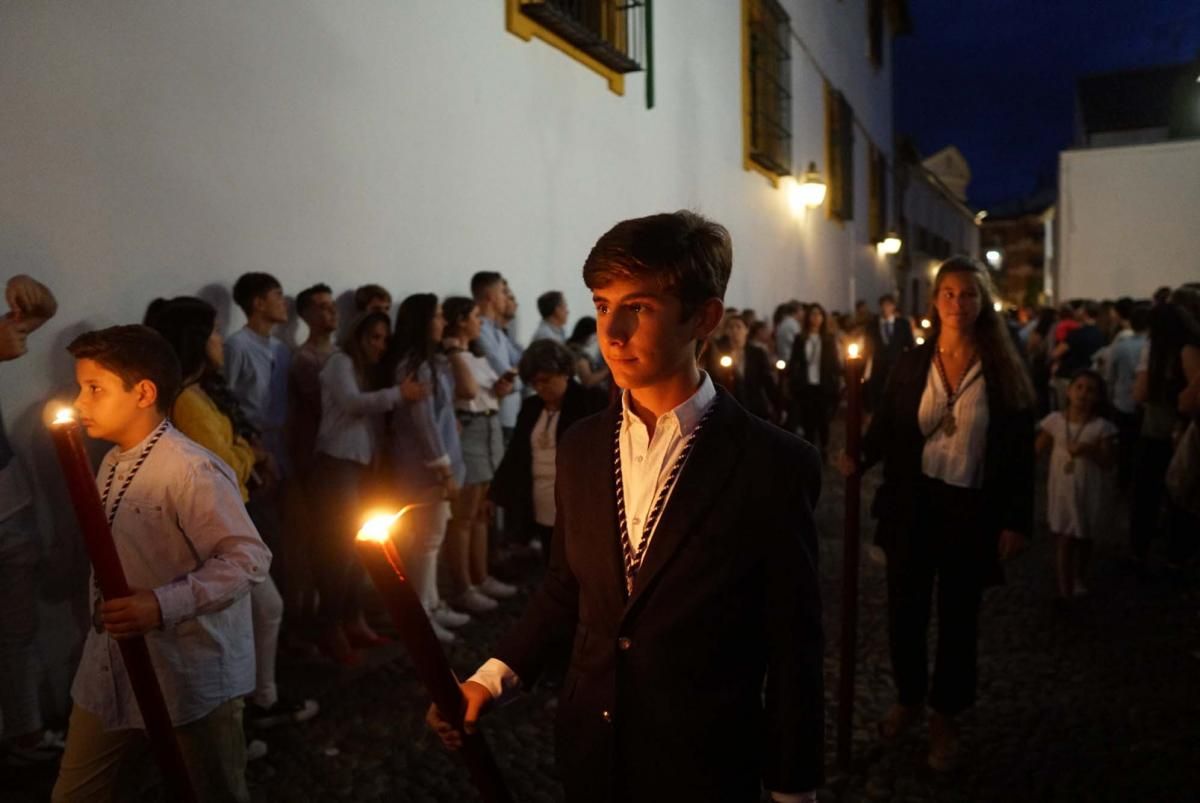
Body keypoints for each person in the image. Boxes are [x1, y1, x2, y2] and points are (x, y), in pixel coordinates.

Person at [429, 211, 824, 803]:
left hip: (704, 763)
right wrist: (489, 680)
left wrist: (792, 788)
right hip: (593, 753)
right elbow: (566, 588)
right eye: (601, 303)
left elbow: (793, 641)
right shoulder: (583, 446)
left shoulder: (771, 464)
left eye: (639, 307)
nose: (612, 332)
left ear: (704, 317)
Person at [52, 325, 271, 803]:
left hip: (186, 673)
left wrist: (160, 604)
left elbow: (248, 558)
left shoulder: (191, 469)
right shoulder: (111, 461)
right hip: (109, 667)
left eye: (95, 388)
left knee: (209, 789)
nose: (81, 402)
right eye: (80, 387)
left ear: (143, 393)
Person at [841, 256, 1035, 773]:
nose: (957, 303)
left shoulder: (1002, 367)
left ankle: (945, 717)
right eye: (948, 293)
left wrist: (1016, 519)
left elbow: (1017, 448)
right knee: (904, 612)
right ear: (934, 301)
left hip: (971, 510)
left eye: (968, 294)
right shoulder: (912, 362)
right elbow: (888, 425)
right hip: (914, 506)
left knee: (958, 620)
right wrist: (859, 454)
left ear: (982, 302)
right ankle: (908, 698)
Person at [145, 297, 318, 738]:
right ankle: (251, 705)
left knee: (257, 612)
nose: (221, 341)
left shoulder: (197, 393)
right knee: (259, 610)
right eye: (215, 333)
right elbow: (221, 463)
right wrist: (248, 454)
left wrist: (243, 453)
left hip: (230, 513)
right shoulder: (186, 401)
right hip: (215, 524)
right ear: (196, 342)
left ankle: (255, 702)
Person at [311, 311, 422, 665]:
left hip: (359, 464)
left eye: (384, 339)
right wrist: (399, 394)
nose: (380, 345)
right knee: (339, 551)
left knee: (360, 547)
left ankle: (353, 620)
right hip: (337, 462)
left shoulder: (361, 368)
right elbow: (353, 404)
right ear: (358, 337)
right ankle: (332, 631)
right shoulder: (339, 362)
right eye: (374, 338)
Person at [0, 275, 63, 765]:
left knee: (20, 631)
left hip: (8, 505)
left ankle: (26, 732)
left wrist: (31, 302)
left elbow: (36, 316)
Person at [384, 294, 469, 644]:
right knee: (425, 541)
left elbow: (440, 414)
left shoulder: (431, 363)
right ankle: (421, 614)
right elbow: (423, 424)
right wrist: (443, 469)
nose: (442, 322)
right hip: (423, 469)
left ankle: (432, 605)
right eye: (435, 316)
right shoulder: (414, 365)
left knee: (433, 536)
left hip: (438, 462)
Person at [488, 339, 607, 562]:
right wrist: (495, 492)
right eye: (534, 383)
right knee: (550, 558)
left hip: (578, 500)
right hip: (540, 498)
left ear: (564, 372)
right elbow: (516, 452)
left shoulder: (590, 401)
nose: (540, 387)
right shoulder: (532, 407)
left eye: (546, 380)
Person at [440, 297, 517, 614]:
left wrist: (501, 387)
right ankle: (462, 586)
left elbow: (495, 389)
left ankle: (480, 575)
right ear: (460, 321)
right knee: (465, 513)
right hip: (470, 428)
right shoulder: (451, 356)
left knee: (483, 509)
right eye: (475, 317)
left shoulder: (475, 355)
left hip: (489, 426)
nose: (479, 323)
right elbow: (469, 392)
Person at [1036, 370, 1117, 599]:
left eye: (1090, 390)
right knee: (1065, 536)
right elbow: (1036, 449)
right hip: (1062, 489)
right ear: (1069, 391)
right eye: (1079, 387)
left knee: (1085, 536)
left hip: (1088, 489)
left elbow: (1108, 462)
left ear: (1099, 397)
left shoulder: (1102, 427)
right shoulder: (1054, 421)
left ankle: (1079, 575)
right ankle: (1065, 589)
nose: (1083, 394)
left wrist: (1089, 450)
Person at [471, 272, 523, 439]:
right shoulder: (479, 331)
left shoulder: (497, 331)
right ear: (490, 296)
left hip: (510, 415)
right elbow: (505, 375)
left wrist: (517, 374)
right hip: (494, 417)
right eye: (502, 292)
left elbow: (524, 363)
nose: (506, 298)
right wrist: (516, 377)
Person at [787, 303, 840, 458]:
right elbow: (794, 361)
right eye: (813, 314)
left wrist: (835, 383)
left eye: (819, 315)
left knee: (823, 420)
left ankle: (824, 448)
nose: (816, 318)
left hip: (823, 385)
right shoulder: (800, 339)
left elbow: (834, 364)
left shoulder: (828, 340)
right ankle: (810, 449)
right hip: (806, 385)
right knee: (808, 419)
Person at [1105, 302, 1148, 490]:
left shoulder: (1121, 347)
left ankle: (1122, 484)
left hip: (1123, 402)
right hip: (1145, 405)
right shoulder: (1152, 346)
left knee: (1124, 447)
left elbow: (1110, 376)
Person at [865, 293, 915, 414]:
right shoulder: (872, 325)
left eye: (888, 305)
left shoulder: (902, 324)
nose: (885, 308)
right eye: (883, 305)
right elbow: (868, 346)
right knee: (878, 395)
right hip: (878, 365)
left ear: (893, 307)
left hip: (897, 365)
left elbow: (910, 345)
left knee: (896, 395)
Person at [566, 316, 610, 389]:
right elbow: (588, 381)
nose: (595, 340)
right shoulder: (576, 353)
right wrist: (607, 369)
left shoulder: (570, 346)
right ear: (587, 334)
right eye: (594, 335)